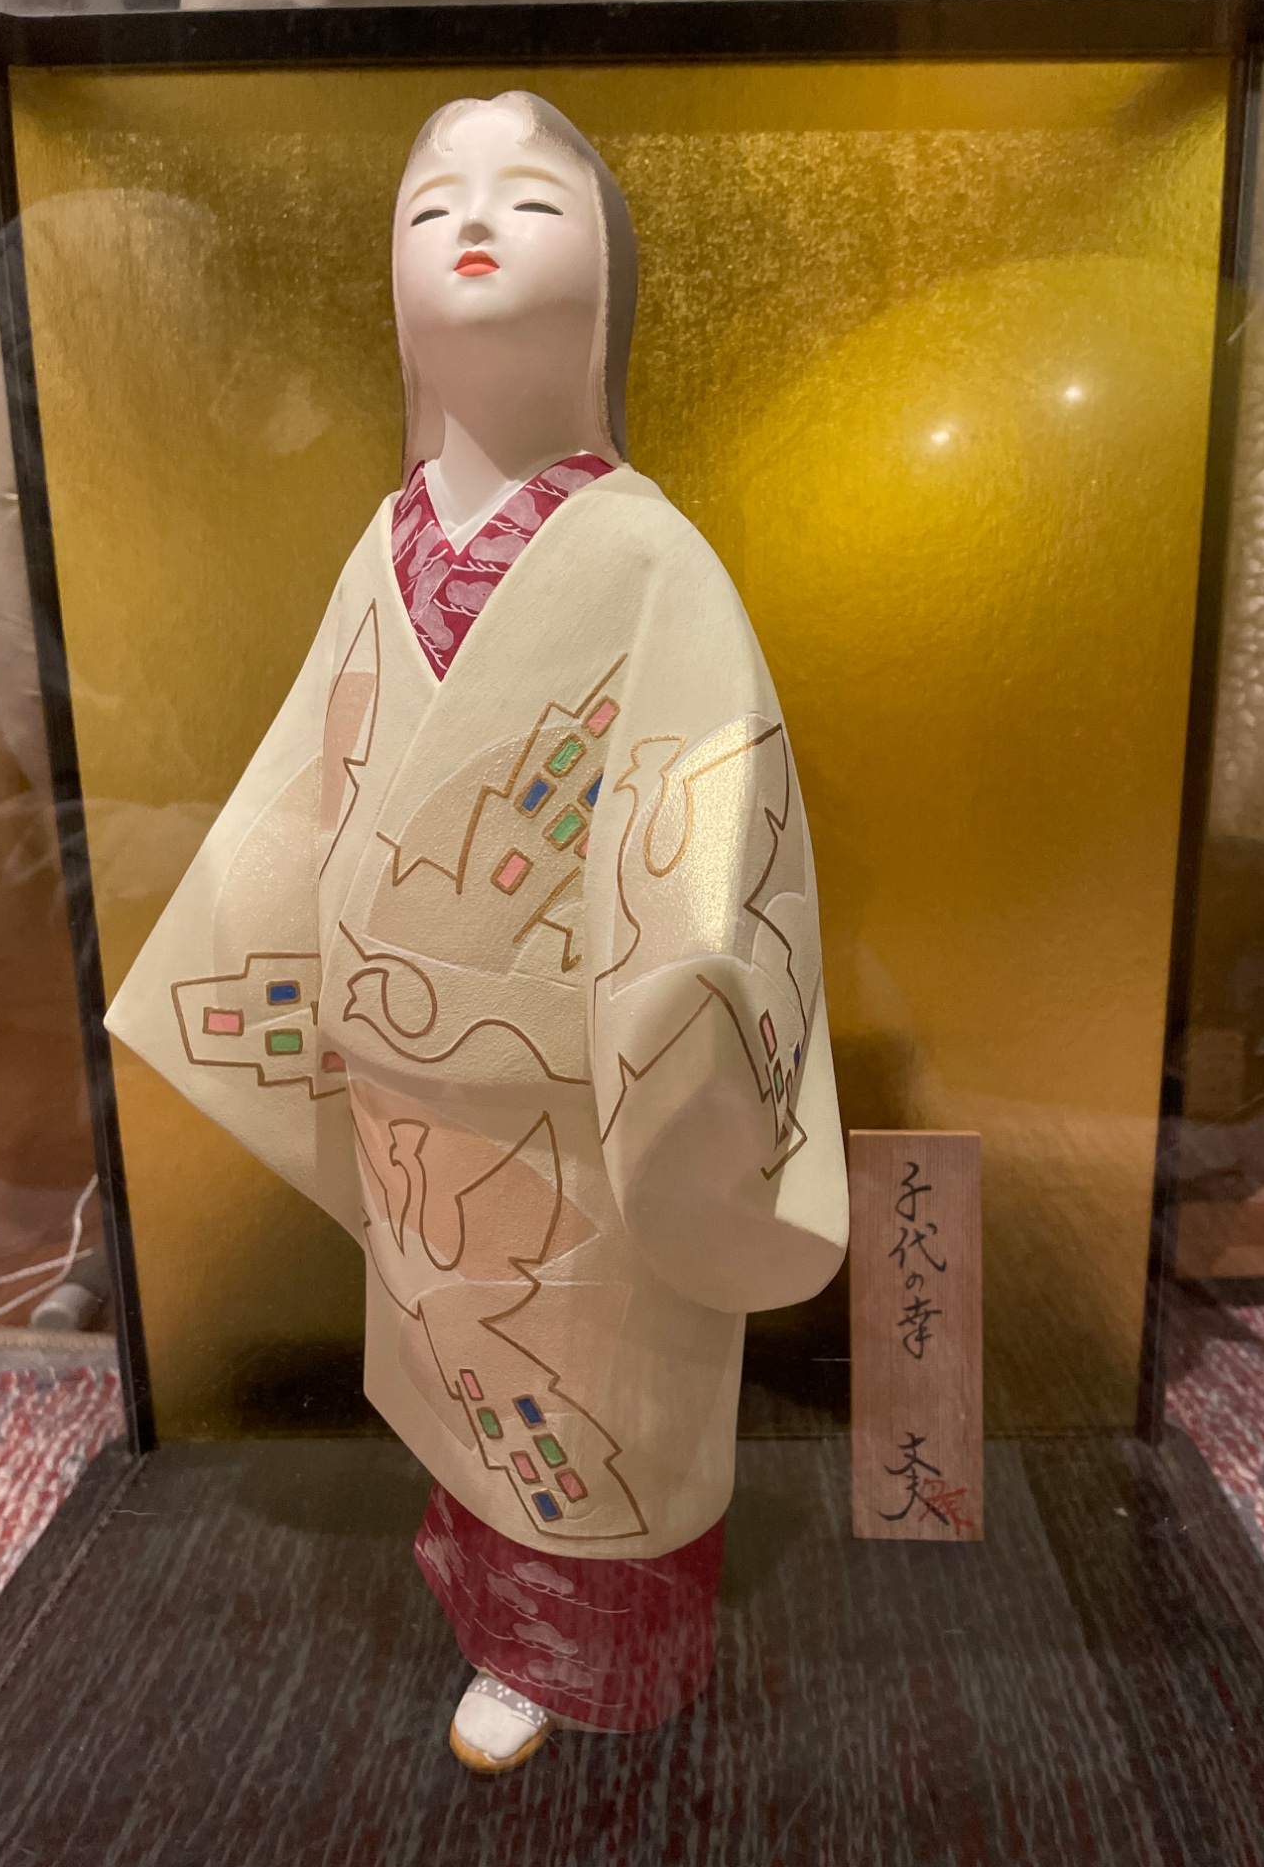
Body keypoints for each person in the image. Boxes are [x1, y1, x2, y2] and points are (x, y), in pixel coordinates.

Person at [107, 90, 847, 1774]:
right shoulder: (388, 544)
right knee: (464, 1367)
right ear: (394, 290)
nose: (476, 219)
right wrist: (289, 978)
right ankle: (493, 1616)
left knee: (587, 1380)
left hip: (580, 1093)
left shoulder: (649, 555)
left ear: (608, 286)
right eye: (433, 200)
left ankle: (599, 1665)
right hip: (403, 1086)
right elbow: (309, 793)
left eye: (532, 197)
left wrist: (682, 1027)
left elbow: (701, 821)